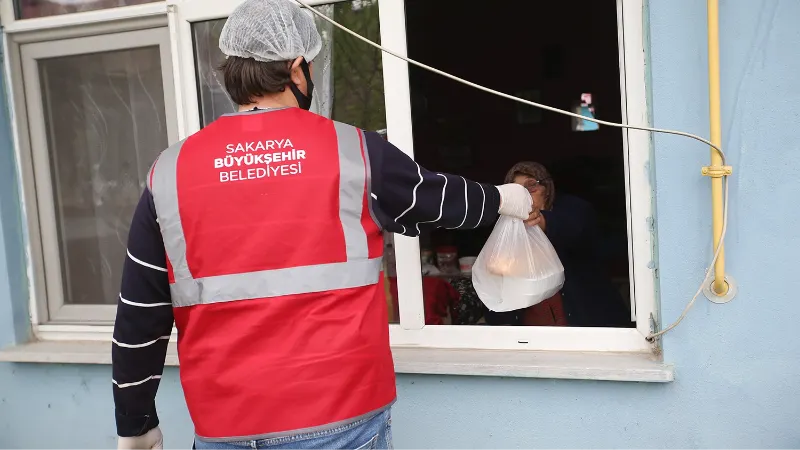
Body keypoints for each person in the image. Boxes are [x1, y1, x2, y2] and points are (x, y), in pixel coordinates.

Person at [112, 1, 533, 449]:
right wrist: (503, 199)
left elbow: (140, 315)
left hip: (225, 426)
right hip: (341, 419)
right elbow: (436, 200)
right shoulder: (353, 151)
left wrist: (135, 424)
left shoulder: (170, 172)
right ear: (297, 70)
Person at [484, 161, 631, 328]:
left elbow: (574, 229)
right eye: (516, 191)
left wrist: (542, 221)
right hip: (533, 329)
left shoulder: (574, 208)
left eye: (531, 186)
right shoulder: (509, 226)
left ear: (546, 188)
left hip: (584, 321)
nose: (524, 196)